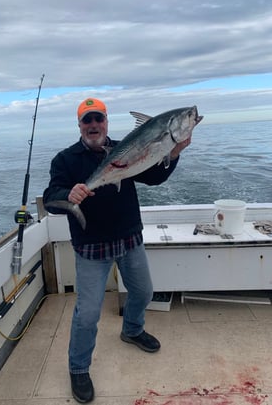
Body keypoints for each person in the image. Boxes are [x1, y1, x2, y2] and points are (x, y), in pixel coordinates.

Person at [43, 97, 192, 403]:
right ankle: (79, 368)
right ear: (80, 125)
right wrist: (67, 193)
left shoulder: (127, 148)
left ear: (107, 122)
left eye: (99, 119)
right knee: (87, 314)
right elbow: (50, 198)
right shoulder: (65, 160)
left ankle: (132, 330)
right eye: (88, 120)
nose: (94, 125)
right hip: (91, 248)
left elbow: (153, 176)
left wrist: (173, 152)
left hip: (128, 239)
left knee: (143, 293)